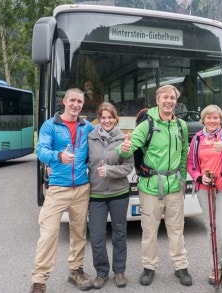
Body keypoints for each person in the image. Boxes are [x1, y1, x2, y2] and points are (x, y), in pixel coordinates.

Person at [117, 84, 192, 287]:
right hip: (150, 186)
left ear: (176, 102)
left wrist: (183, 178)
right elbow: (129, 148)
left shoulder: (181, 126)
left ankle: (180, 266)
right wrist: (123, 149)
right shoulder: (147, 124)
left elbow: (184, 152)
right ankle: (149, 267)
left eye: (172, 98)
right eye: (165, 97)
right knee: (149, 230)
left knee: (176, 229)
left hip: (174, 186)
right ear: (157, 100)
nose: (169, 101)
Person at [30, 88, 94, 293]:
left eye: (79, 102)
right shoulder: (50, 125)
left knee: (79, 233)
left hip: (82, 188)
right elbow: (41, 151)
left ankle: (75, 271)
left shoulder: (88, 127)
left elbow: (105, 139)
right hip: (58, 187)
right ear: (64, 101)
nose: (76, 105)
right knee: (48, 234)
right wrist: (58, 156)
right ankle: (39, 281)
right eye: (72, 100)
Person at [186, 104, 222, 290]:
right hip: (205, 188)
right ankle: (215, 266)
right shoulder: (197, 138)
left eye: (215, 118)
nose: (212, 121)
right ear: (203, 120)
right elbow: (191, 164)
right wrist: (199, 177)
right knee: (210, 229)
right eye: (209, 118)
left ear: (220, 120)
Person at [87, 102, 134, 289]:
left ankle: (120, 272)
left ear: (116, 119)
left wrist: (109, 171)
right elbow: (82, 161)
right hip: (96, 195)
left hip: (119, 193)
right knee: (97, 236)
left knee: (119, 234)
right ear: (99, 118)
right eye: (103, 117)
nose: (107, 121)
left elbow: (128, 167)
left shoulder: (125, 139)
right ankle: (101, 273)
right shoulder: (89, 138)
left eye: (110, 117)